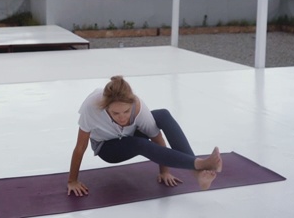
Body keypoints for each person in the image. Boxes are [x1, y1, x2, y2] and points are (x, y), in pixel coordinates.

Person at [67, 75, 222, 196]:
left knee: (163, 115)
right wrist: (72, 181)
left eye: (126, 111)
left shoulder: (139, 107)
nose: (122, 117)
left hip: (130, 135)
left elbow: (157, 139)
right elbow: (80, 147)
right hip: (108, 148)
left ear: (132, 104)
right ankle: (201, 164)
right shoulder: (92, 107)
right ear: (105, 107)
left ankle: (197, 174)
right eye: (115, 113)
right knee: (139, 144)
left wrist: (164, 172)